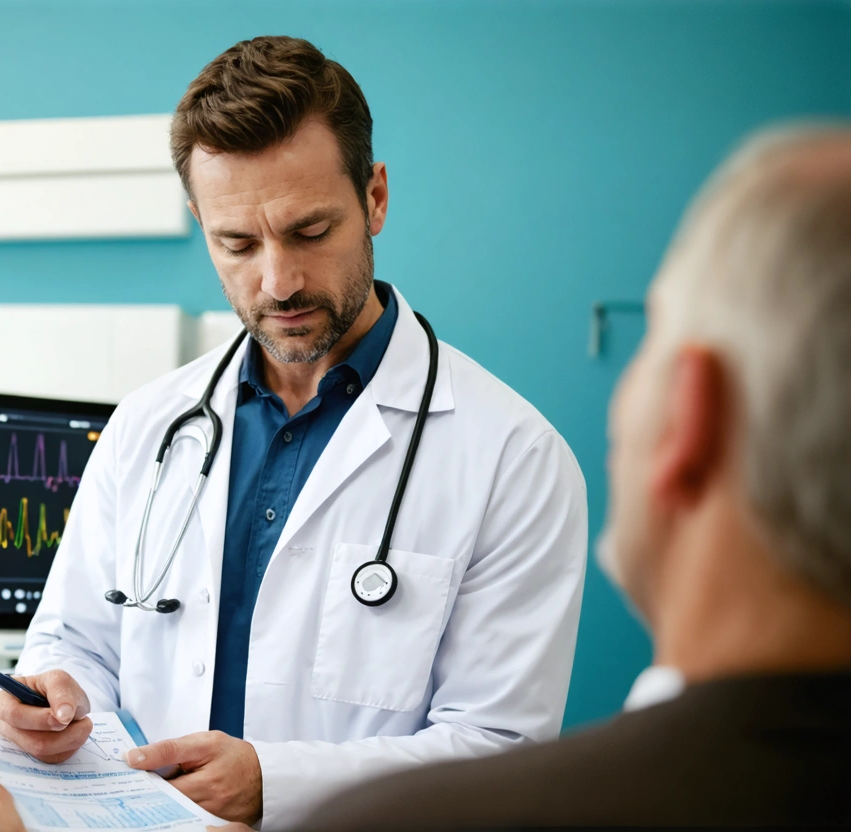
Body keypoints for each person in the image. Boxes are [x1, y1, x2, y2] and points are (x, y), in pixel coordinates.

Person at [0, 35, 587, 830]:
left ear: (374, 197)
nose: (278, 282)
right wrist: (53, 690)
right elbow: (72, 637)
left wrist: (274, 783)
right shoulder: (149, 423)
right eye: (238, 244)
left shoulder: (512, 456)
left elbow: (501, 749)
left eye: (310, 232)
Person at [282, 125, 851, 827]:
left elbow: (493, 733)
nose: (279, 280)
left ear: (689, 416)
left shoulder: (392, 822)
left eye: (653, 338)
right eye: (237, 243)